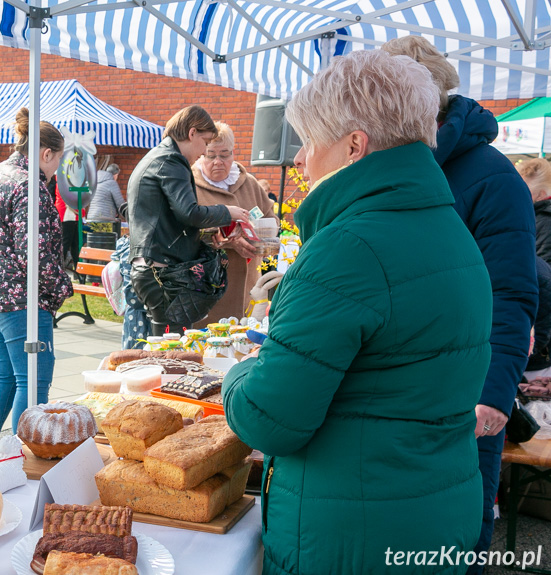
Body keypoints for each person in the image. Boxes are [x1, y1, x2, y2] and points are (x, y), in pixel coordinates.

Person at [223, 50, 493, 573]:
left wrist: (238, 372)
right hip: (432, 512)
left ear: (353, 146)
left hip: (356, 535)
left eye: (309, 140)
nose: (300, 158)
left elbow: (269, 419)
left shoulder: (347, 248)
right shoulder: (447, 228)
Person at [384, 37, 539, 573]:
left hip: (464, 397)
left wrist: (495, 395)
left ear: (431, 99)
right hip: (396, 387)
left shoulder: (492, 177)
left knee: (451, 538)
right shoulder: (390, 166)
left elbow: (512, 293)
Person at [0, 108, 73, 447]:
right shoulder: (29, 185)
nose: (56, 169)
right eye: (57, 160)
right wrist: (61, 287)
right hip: (22, 299)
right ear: (46, 153)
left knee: (7, 377)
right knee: (32, 382)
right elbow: (37, 254)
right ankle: (22, 456)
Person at [127, 105, 248, 335]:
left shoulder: (157, 157)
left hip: (153, 269)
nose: (203, 152)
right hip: (164, 273)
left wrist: (206, 234)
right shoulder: (172, 160)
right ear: (192, 133)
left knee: (166, 347)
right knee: (172, 351)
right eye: (205, 142)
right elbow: (189, 213)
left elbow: (166, 219)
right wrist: (227, 211)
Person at [191, 121, 276, 324]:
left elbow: (271, 220)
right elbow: (183, 230)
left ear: (233, 153)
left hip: (248, 289)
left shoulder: (250, 184)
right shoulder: (189, 184)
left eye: (225, 154)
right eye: (211, 155)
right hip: (205, 287)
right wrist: (229, 239)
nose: (218, 161)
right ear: (202, 154)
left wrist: (260, 239)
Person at [517, 158, 551, 265]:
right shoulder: (531, 214)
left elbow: (542, 267)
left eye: (525, 191)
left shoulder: (545, 221)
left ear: (541, 194)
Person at [89, 163, 125, 234]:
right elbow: (120, 204)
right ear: (115, 175)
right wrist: (128, 216)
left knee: (94, 243)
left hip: (91, 217)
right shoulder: (111, 183)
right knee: (105, 243)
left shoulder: (96, 182)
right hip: (104, 219)